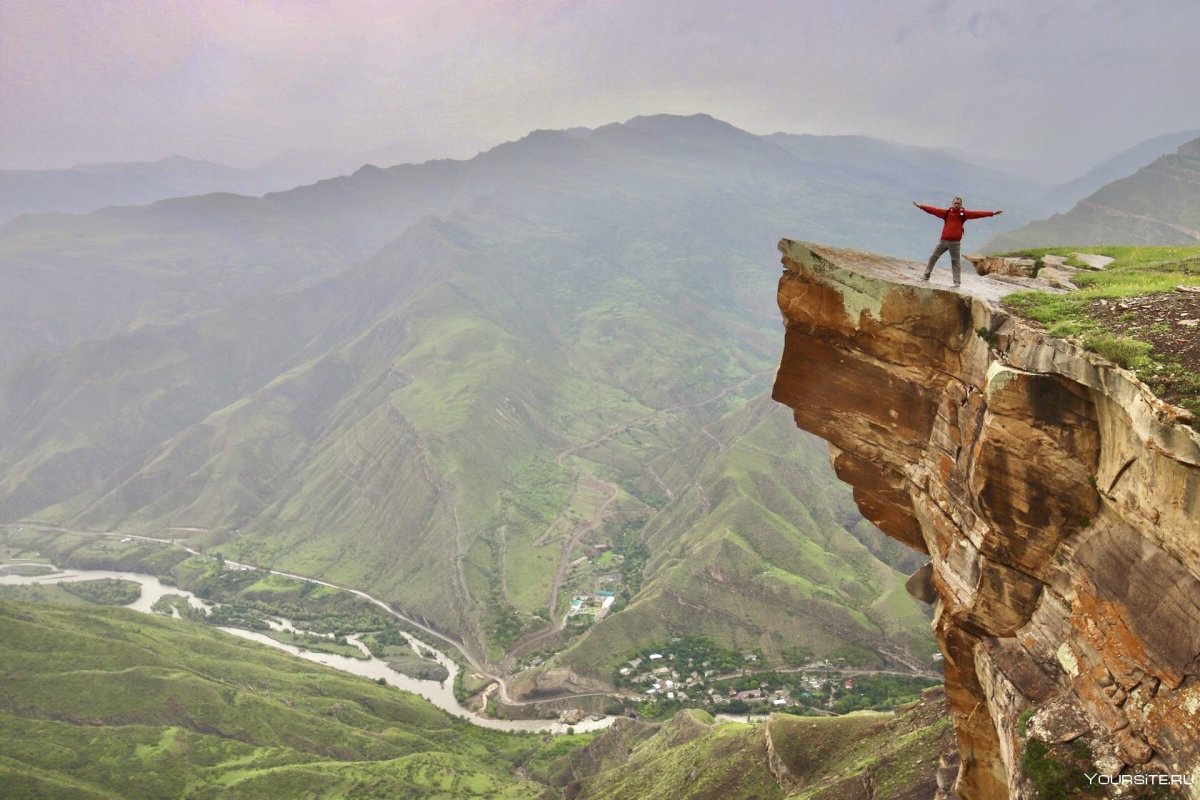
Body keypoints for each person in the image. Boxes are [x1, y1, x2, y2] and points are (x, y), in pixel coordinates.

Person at [913, 197, 1002, 286]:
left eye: (958, 203)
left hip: (955, 243)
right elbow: (933, 210)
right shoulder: (946, 213)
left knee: (955, 261)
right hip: (943, 241)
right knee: (933, 257)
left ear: (961, 205)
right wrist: (921, 206)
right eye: (955, 203)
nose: (956, 205)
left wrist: (992, 213)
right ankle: (926, 275)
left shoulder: (964, 214)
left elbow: (977, 214)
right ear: (952, 204)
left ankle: (957, 282)